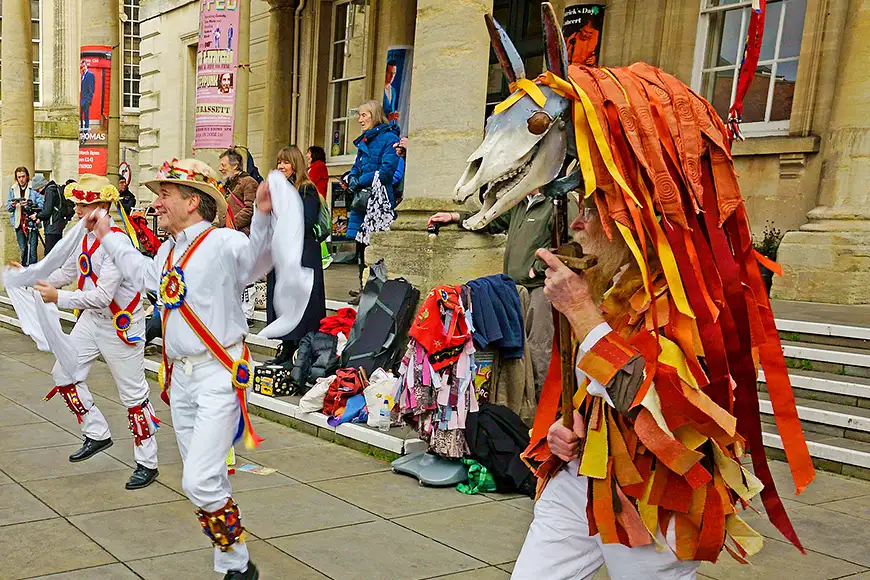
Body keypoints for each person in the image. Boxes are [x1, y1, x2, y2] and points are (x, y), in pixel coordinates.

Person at [89, 158, 270, 580]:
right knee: (202, 478)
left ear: (193, 201)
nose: (157, 202)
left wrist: (261, 217)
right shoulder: (169, 250)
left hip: (218, 375)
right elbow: (143, 273)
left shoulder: (223, 242)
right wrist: (106, 235)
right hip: (181, 378)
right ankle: (235, 566)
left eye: (165, 194)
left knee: (199, 481)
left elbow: (258, 260)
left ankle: (237, 560)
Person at [20, 174, 159, 490]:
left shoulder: (118, 242)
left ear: (102, 206)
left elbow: (102, 295)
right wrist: (30, 278)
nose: (76, 212)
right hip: (91, 321)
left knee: (134, 396)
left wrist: (58, 297)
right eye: (77, 205)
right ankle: (97, 432)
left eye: (82, 206)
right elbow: (68, 271)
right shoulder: (81, 235)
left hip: (120, 326)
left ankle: (147, 463)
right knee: (63, 373)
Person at [428, 189, 561, 394]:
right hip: (515, 288)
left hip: (540, 289)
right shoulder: (519, 202)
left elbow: (570, 243)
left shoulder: (555, 203)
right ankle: (522, 398)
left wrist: (540, 268)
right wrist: (455, 217)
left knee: (538, 347)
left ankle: (539, 403)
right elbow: (490, 220)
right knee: (520, 348)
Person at [265, 146, 326, 367]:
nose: (281, 166)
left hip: (302, 254)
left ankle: (301, 351)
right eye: (279, 162)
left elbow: (306, 222)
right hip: (281, 254)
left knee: (301, 303)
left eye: (286, 163)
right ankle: (287, 347)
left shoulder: (307, 190)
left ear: (296, 165)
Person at [341, 100, 400, 300]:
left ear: (374, 115)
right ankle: (363, 287)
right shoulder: (365, 141)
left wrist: (359, 181)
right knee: (360, 243)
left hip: (378, 202)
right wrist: (351, 177)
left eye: (363, 115)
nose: (360, 119)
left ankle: (374, 288)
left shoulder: (389, 138)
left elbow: (387, 171)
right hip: (362, 200)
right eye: (359, 115)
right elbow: (358, 166)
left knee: (375, 245)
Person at [6, 167, 44, 266]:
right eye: (19, 177)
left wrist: (29, 204)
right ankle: (24, 272)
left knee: (32, 249)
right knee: (23, 249)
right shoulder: (13, 189)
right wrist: (13, 205)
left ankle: (33, 273)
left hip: (32, 223)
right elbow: (8, 207)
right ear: (16, 178)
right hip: (19, 223)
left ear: (27, 176)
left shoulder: (34, 188)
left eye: (23, 176)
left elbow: (41, 205)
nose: (21, 179)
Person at [219, 148, 258, 236]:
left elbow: (250, 209)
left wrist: (230, 225)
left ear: (235, 166)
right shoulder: (228, 185)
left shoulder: (249, 182)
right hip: (230, 233)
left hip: (242, 235)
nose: (220, 169)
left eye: (223, 165)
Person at [306, 145, 331, 269]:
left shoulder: (319, 166)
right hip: (314, 199)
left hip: (317, 200)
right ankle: (324, 256)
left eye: (308, 153)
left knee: (317, 227)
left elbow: (309, 181)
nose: (307, 156)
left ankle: (325, 256)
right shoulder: (312, 167)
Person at [36, 174, 67, 254]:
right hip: (57, 226)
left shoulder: (49, 191)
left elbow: (47, 212)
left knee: (50, 254)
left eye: (37, 190)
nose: (38, 193)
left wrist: (37, 216)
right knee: (56, 253)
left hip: (52, 227)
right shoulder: (54, 188)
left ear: (40, 186)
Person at [80, 61, 95, 132]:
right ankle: (82, 130)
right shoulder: (82, 75)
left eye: (84, 66)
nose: (83, 68)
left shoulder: (90, 75)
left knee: (86, 117)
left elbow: (92, 89)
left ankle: (85, 134)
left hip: (86, 100)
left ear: (86, 66)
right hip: (81, 100)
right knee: (80, 117)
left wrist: (88, 100)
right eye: (82, 67)